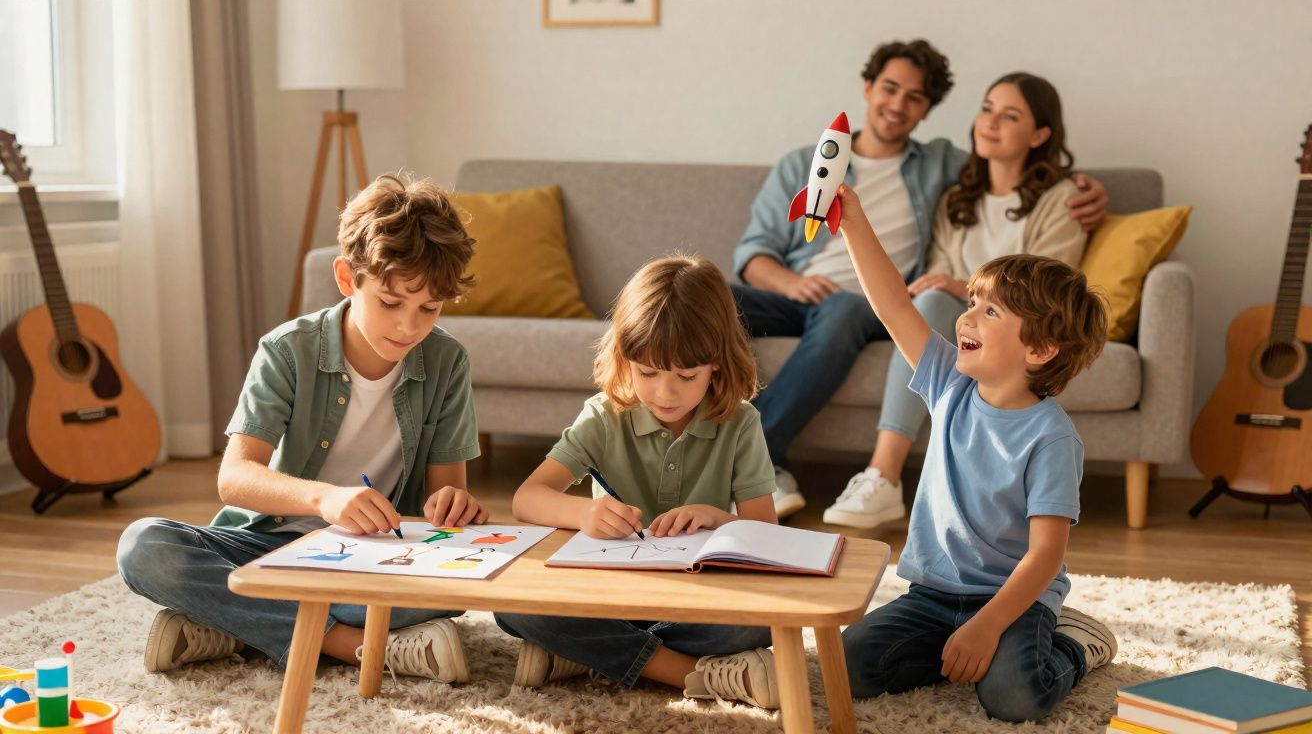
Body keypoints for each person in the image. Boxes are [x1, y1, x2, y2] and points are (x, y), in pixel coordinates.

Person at [116, 173, 488, 683]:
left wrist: (453, 506)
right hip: (271, 547)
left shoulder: (448, 360)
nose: (408, 326)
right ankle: (350, 645)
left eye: (429, 308)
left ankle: (228, 628)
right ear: (346, 278)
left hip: (377, 557)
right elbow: (236, 477)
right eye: (389, 302)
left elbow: (448, 493)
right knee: (144, 547)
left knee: (456, 591)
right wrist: (324, 500)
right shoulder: (287, 350)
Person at [730, 39, 1108, 525]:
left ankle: (764, 465)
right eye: (890, 88)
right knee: (697, 292)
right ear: (867, 88)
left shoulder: (939, 167)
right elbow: (753, 252)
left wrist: (1088, 186)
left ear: (927, 110)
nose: (898, 105)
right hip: (791, 293)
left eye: (915, 97)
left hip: (859, 306)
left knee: (860, 307)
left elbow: (1025, 215)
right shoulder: (804, 164)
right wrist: (787, 282)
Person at [834, 178, 1117, 721]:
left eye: (992, 313)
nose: (967, 317)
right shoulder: (948, 384)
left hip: (1013, 601)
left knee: (1014, 699)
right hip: (931, 593)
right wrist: (852, 220)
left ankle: (1076, 645)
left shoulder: (1052, 437)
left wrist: (988, 625)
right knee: (848, 665)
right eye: (973, 303)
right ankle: (957, 654)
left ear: (1038, 349)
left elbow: (1045, 555)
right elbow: (894, 304)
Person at [494, 255, 781, 709]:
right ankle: (690, 672)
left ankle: (584, 652)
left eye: (687, 376)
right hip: (612, 594)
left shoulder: (740, 423)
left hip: (696, 601)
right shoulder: (605, 415)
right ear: (624, 357)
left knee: (758, 625)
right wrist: (584, 513)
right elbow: (527, 498)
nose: (665, 393)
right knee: (511, 603)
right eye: (647, 372)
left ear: (718, 366)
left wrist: (717, 519)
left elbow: (767, 538)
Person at [824, 71, 1089, 528]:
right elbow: (901, 300)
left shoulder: (1065, 200)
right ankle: (882, 476)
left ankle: (884, 472)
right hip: (944, 310)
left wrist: (959, 285)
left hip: (1008, 323)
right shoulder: (955, 197)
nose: (989, 122)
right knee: (926, 303)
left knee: (932, 301)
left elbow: (1048, 288)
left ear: (1040, 135)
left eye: (1010, 116)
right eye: (986, 108)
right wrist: (852, 221)